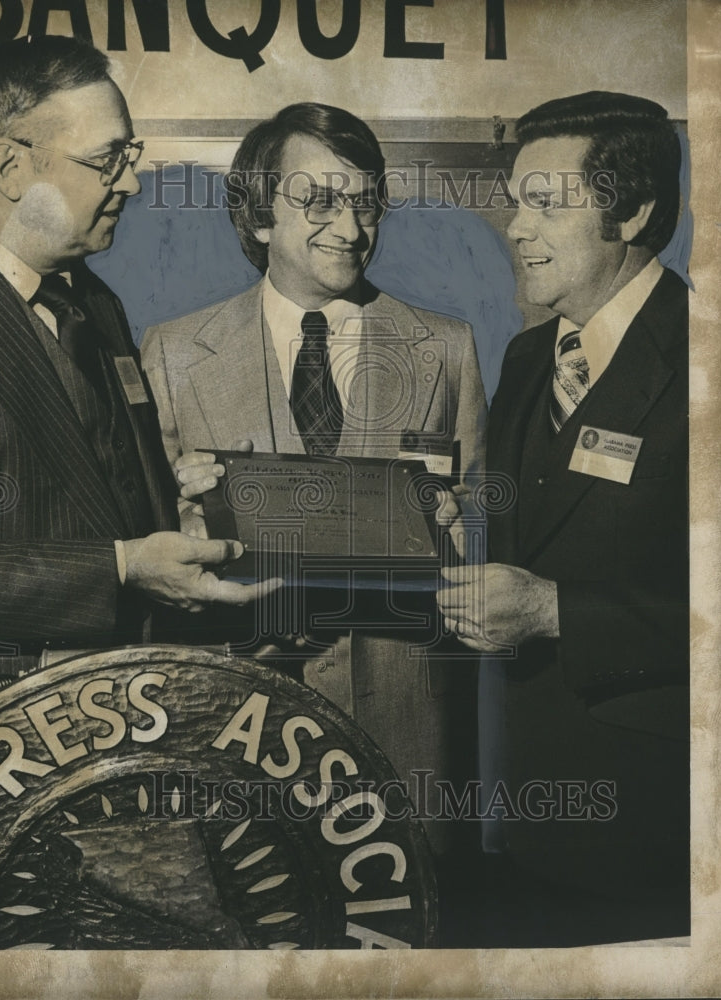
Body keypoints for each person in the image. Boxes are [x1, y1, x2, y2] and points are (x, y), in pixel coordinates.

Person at [141, 102, 487, 892]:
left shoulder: (446, 347)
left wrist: (456, 532)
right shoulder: (171, 353)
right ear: (258, 216)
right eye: (318, 202)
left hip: (405, 727)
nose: (350, 226)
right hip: (235, 722)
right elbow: (152, 547)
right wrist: (188, 522)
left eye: (365, 202)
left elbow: (481, 526)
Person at [0, 35, 277, 729]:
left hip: (118, 721)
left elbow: (92, 490)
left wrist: (172, 518)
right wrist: (118, 567)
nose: (132, 183)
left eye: (130, 156)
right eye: (105, 161)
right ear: (8, 166)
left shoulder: (93, 302)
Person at [438, 91, 689, 944]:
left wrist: (553, 613)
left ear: (633, 211)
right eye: (515, 202)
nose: (514, 227)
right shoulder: (525, 354)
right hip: (512, 816)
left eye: (545, 203)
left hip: (651, 835)